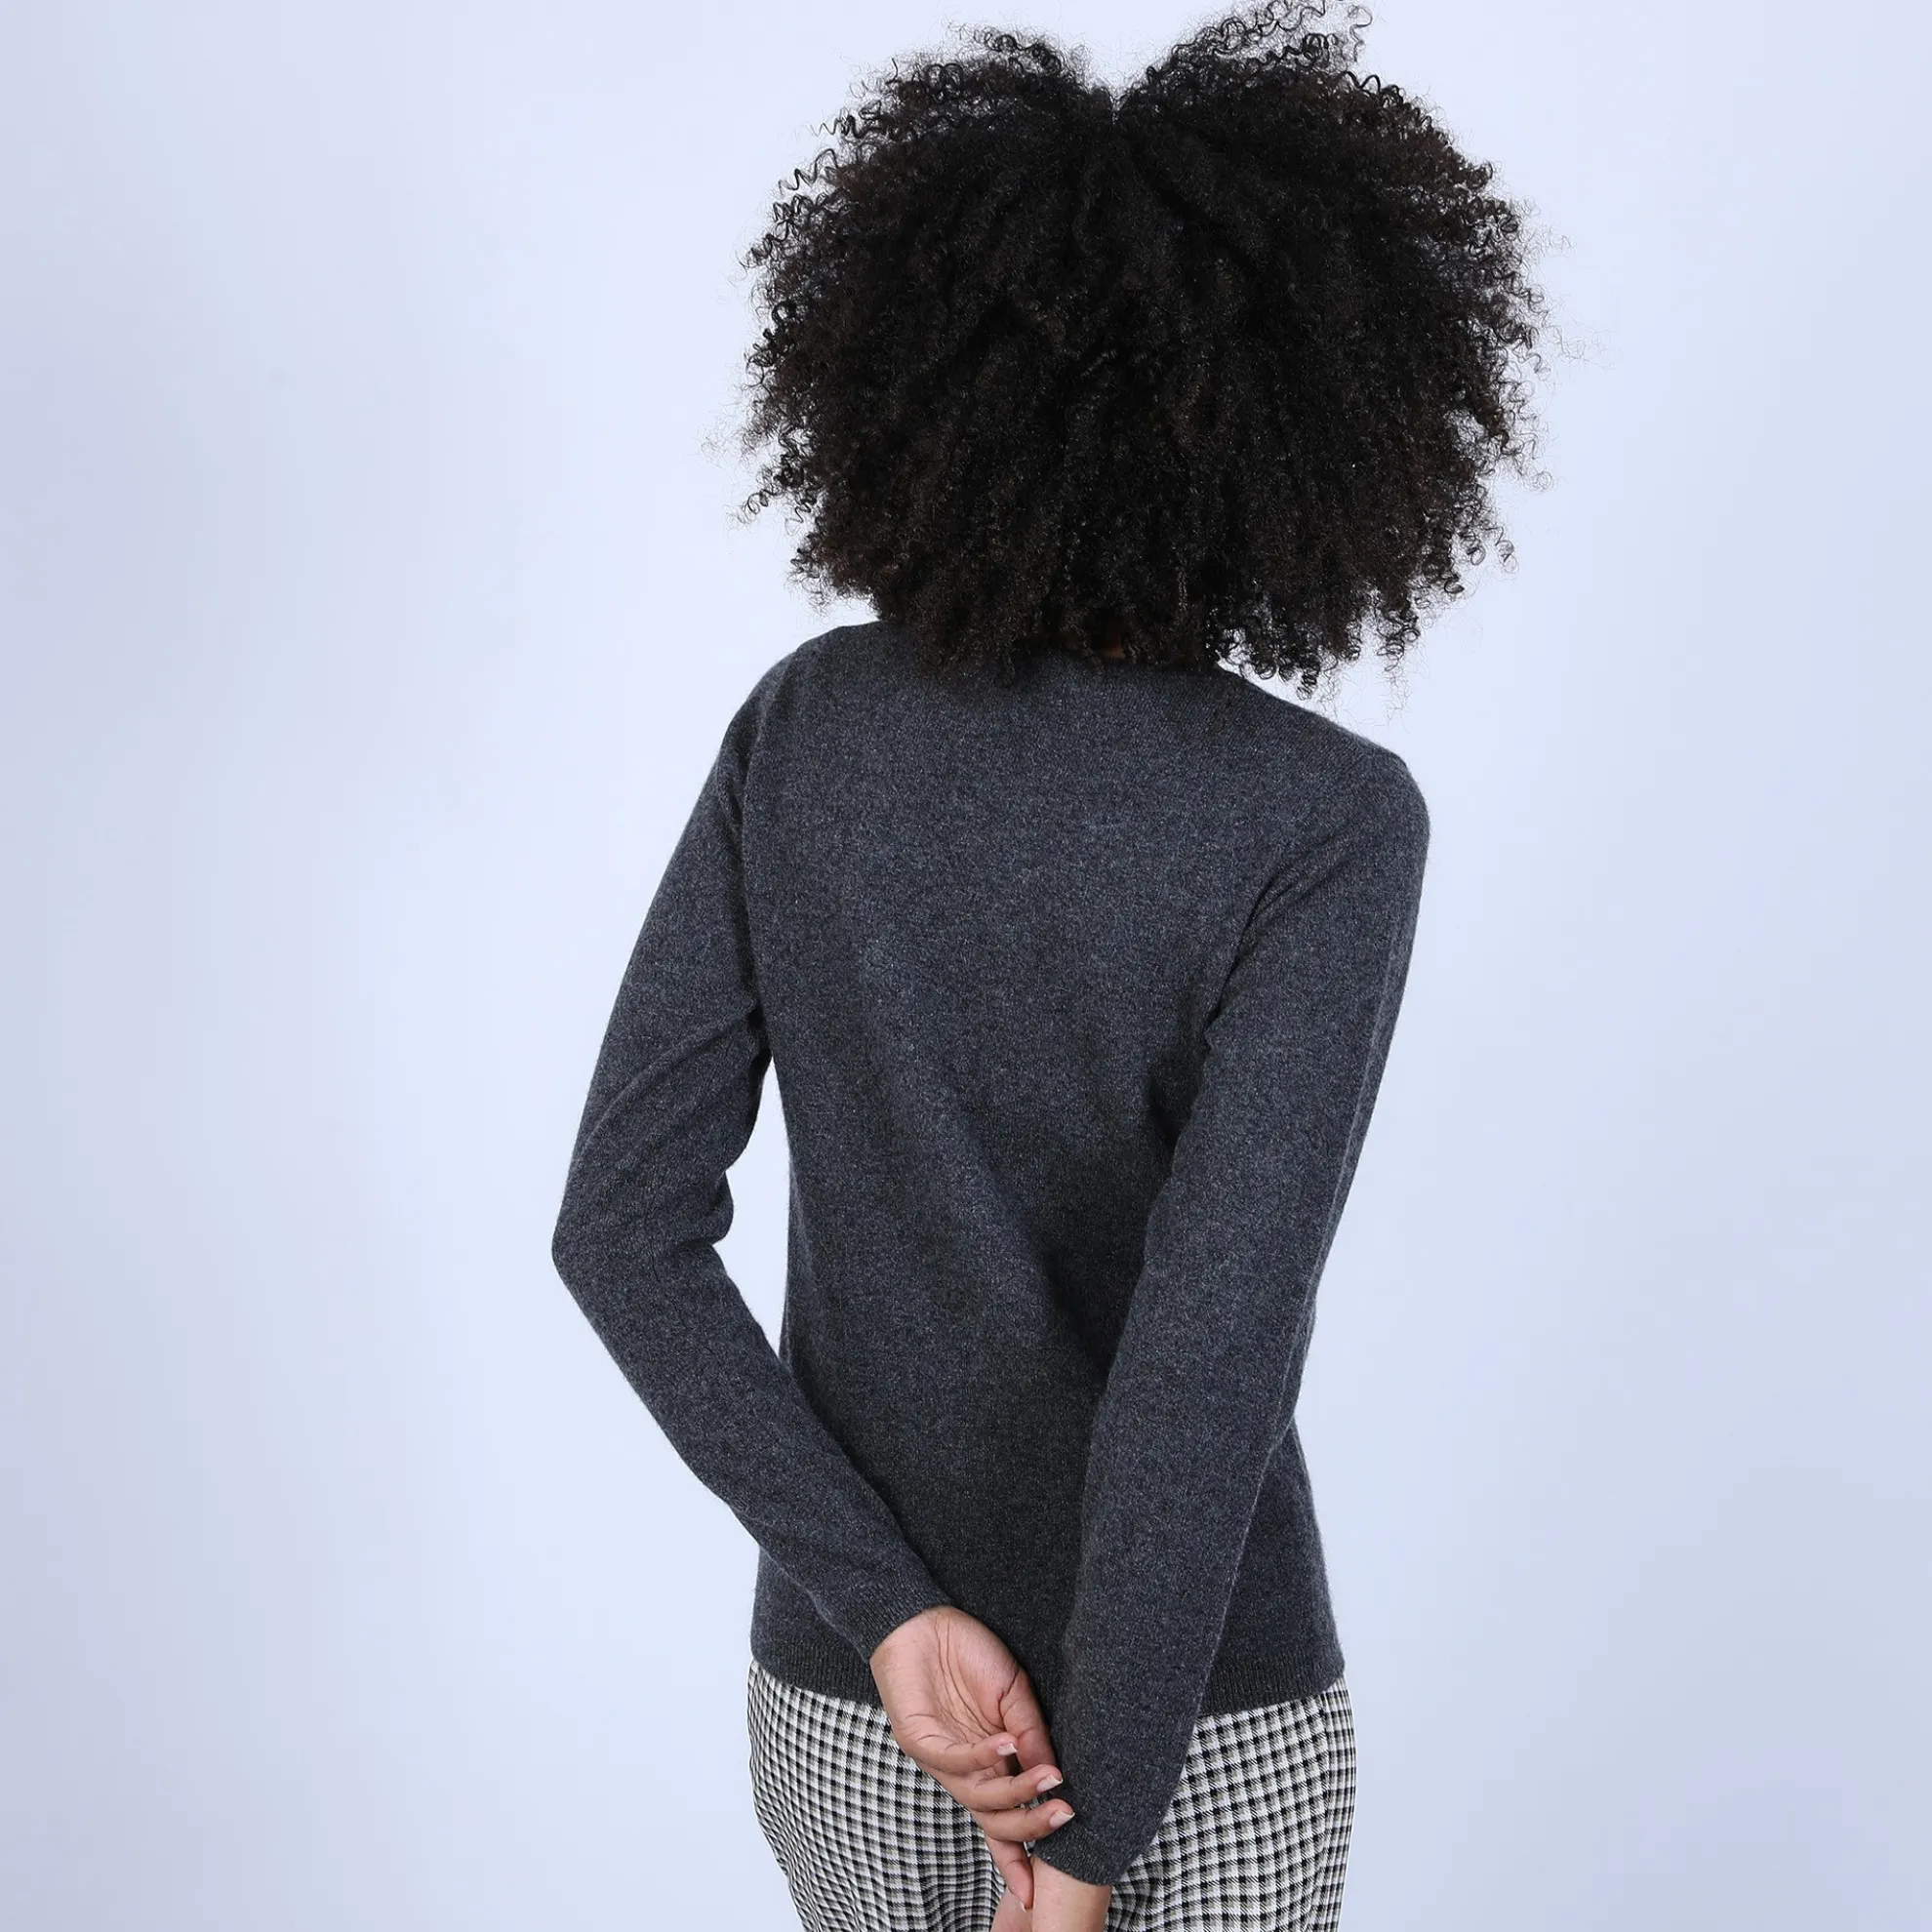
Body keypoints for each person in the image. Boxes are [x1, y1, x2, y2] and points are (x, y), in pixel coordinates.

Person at [548, 3, 1547, 1926]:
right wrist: (1088, 1851)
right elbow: (1203, 1368)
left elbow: (622, 1233)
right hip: (1204, 1727)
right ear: (1316, 428)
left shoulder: (809, 729)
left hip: (860, 1704)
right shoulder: (1323, 818)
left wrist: (889, 1605)